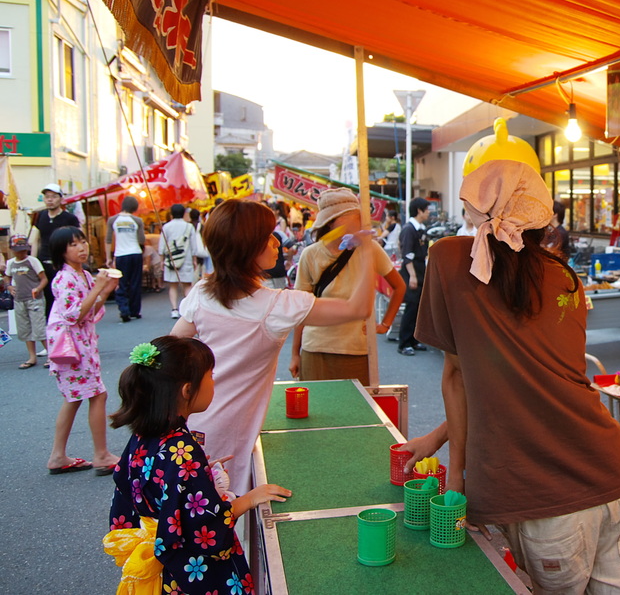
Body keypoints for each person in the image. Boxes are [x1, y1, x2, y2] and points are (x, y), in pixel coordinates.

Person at [414, 158, 620, 593]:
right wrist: (436, 438)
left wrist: (457, 478)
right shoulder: (565, 278)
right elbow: (529, 381)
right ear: (542, 219)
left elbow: (459, 376)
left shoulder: (449, 259)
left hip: (546, 500)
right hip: (617, 479)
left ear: (476, 206)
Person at [169, 199, 375, 493]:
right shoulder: (277, 306)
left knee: (194, 516)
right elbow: (358, 308)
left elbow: (169, 347)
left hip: (192, 426)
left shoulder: (202, 292)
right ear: (248, 248)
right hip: (230, 436)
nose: (276, 241)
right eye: (267, 237)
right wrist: (367, 248)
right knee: (221, 517)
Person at [105, 336, 292, 594]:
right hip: (188, 573)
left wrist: (204, 477)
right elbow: (206, 529)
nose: (214, 382)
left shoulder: (143, 435)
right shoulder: (183, 451)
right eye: (210, 376)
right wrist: (248, 499)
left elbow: (128, 494)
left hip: (162, 567)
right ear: (187, 390)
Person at [289, 188, 406, 383]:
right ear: (331, 222)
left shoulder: (370, 248)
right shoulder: (310, 254)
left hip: (356, 349)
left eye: (356, 218)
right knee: (317, 409)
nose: (356, 223)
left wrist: (385, 324)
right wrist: (295, 353)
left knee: (356, 409)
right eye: (348, 218)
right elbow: (301, 309)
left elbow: (399, 286)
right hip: (315, 348)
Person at [45, 225, 120, 475]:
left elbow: (91, 311)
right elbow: (74, 314)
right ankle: (100, 454)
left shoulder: (84, 275)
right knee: (97, 395)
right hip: (73, 349)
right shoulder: (64, 278)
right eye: (74, 244)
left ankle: (58, 456)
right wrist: (99, 288)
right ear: (61, 251)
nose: (82, 248)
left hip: (80, 347)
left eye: (83, 242)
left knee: (75, 398)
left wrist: (105, 289)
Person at [29, 183, 79, 317]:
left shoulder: (70, 219)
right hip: (43, 262)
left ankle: (65, 320)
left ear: (61, 199)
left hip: (61, 263)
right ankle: (51, 325)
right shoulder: (40, 216)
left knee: (63, 294)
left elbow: (77, 241)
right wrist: (32, 262)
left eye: (53, 197)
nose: (50, 200)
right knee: (46, 296)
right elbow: (36, 240)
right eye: (47, 197)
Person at [4, 235, 48, 369]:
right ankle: (32, 356)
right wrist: (9, 286)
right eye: (18, 250)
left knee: (39, 328)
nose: (21, 253)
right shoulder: (11, 263)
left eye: (23, 250)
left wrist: (38, 288)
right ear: (12, 249)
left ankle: (51, 355)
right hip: (19, 299)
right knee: (25, 329)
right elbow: (7, 277)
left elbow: (44, 278)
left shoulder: (32, 261)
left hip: (34, 299)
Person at [396, 197, 430, 356]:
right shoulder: (409, 229)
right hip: (412, 273)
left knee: (417, 309)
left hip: (420, 271)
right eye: (427, 209)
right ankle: (404, 343)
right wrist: (413, 276)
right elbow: (407, 255)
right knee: (411, 308)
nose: (429, 212)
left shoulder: (420, 229)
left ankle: (413, 340)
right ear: (419, 210)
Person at [105, 195, 146, 323]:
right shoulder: (137, 220)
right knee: (135, 283)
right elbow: (142, 240)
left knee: (121, 283)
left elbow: (108, 239)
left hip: (121, 255)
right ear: (135, 207)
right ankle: (135, 311)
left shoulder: (113, 220)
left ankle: (124, 309)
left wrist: (108, 257)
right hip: (135, 253)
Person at [159, 204, 196, 319]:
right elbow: (193, 245)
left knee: (173, 285)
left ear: (171, 214)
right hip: (186, 258)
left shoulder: (166, 227)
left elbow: (162, 245)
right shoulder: (189, 227)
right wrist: (194, 259)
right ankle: (189, 309)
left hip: (172, 259)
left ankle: (174, 309)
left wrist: (161, 260)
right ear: (184, 213)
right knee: (187, 285)